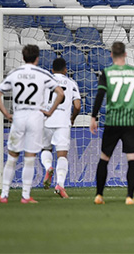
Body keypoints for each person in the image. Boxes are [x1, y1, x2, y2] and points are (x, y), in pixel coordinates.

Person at [0, 44, 64, 204]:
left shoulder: (15, 73)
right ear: (37, 58)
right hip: (35, 117)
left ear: (23, 57)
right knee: (30, 158)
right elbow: (60, 93)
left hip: (19, 116)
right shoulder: (42, 74)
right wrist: (50, 111)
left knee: (12, 157)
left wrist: (6, 114)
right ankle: (25, 196)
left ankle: (4, 195)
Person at [90, 42, 134, 205]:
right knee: (132, 158)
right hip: (130, 121)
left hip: (112, 121)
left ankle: (99, 195)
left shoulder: (107, 72)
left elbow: (100, 95)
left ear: (111, 55)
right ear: (125, 54)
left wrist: (93, 117)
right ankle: (130, 197)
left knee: (104, 158)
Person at [40, 57, 81, 199]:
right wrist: (72, 118)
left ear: (52, 70)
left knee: (46, 149)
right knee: (62, 156)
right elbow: (77, 106)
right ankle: (60, 185)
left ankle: (48, 168)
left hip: (47, 120)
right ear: (65, 70)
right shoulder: (71, 83)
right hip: (63, 121)